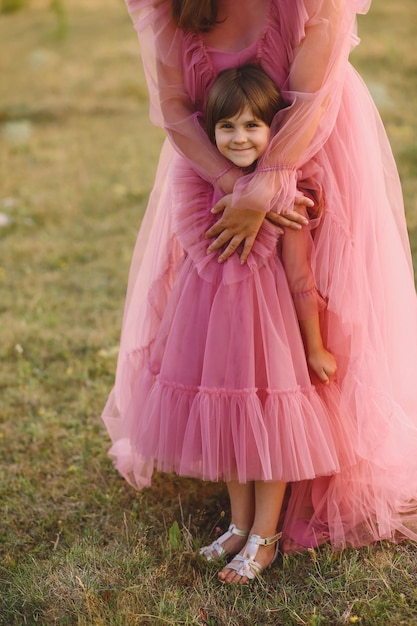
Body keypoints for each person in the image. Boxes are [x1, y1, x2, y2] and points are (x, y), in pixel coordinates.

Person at [103, 0, 417, 585]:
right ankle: (240, 520)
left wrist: (267, 188)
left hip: (303, 148)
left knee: (290, 362)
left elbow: (311, 95)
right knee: (222, 355)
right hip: (212, 174)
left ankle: (275, 520)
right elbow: (174, 107)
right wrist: (232, 184)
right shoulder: (171, 10)